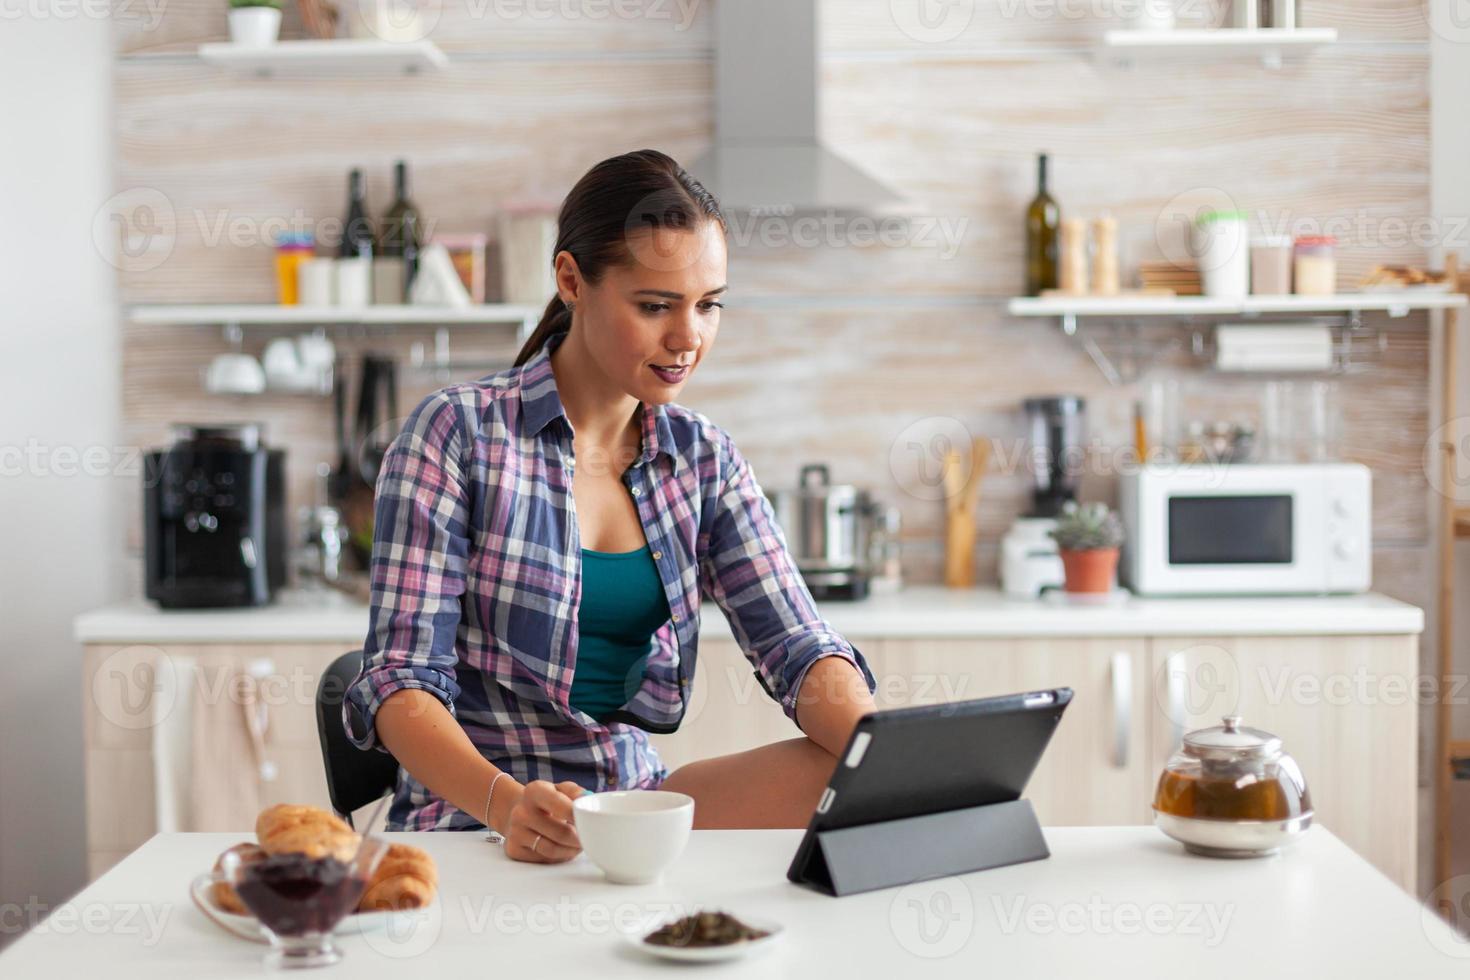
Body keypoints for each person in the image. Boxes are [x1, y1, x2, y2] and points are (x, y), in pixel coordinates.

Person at [345, 148, 878, 863]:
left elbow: (798, 648)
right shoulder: (457, 435)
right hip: (474, 823)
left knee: (849, 776)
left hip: (629, 810)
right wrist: (507, 803)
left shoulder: (701, 458)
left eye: (708, 304)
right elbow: (399, 682)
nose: (688, 337)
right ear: (572, 280)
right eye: (656, 306)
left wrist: (893, 756)